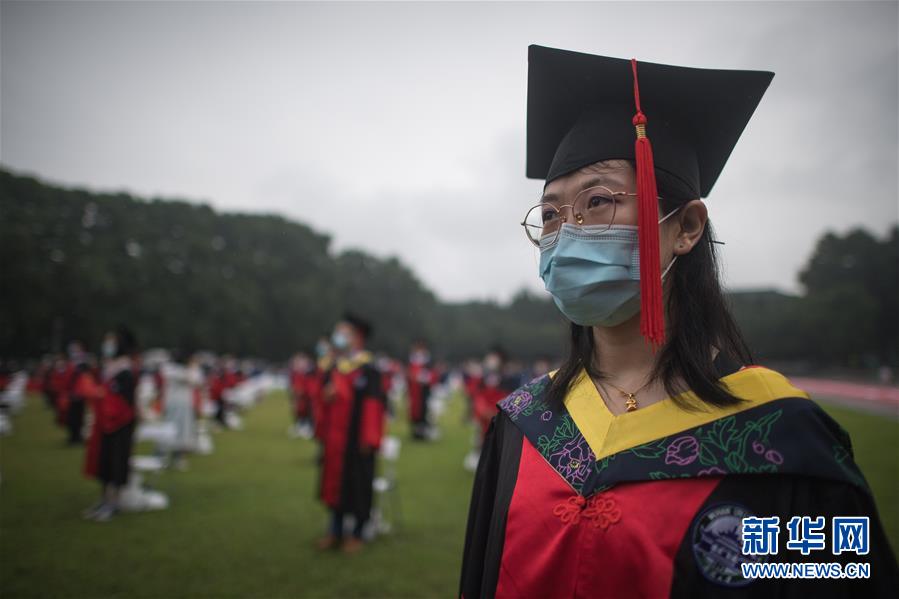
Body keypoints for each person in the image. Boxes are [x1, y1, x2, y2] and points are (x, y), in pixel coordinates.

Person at [459, 45, 898, 598]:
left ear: (687, 227)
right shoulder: (524, 424)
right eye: (549, 214)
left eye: (598, 201)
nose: (566, 231)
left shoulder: (782, 440)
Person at [316, 313, 387, 553]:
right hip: (337, 439)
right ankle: (335, 531)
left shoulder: (369, 369)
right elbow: (323, 398)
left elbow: (374, 406)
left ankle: (357, 533)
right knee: (336, 484)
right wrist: (326, 397)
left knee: (358, 486)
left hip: (358, 440)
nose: (338, 336)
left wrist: (369, 438)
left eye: (344, 332)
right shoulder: (335, 366)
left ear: (357, 337)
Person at [83, 327, 139, 522]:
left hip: (120, 423)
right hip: (105, 422)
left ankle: (113, 503)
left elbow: (124, 401)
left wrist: (102, 395)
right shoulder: (109, 368)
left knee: (116, 462)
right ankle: (104, 499)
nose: (107, 345)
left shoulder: (125, 370)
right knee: (103, 462)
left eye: (111, 341)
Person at [406, 339, 437, 440]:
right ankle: (416, 431)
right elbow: (409, 374)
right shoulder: (412, 360)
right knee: (415, 410)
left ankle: (422, 431)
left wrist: (423, 378)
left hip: (424, 389)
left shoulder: (427, 361)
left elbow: (432, 374)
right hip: (414, 390)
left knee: (423, 410)